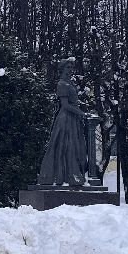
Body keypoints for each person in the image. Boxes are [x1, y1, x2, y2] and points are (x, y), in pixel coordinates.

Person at [37, 60, 87, 188]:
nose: (70, 69)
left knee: (72, 148)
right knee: (66, 147)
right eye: (68, 67)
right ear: (62, 69)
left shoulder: (69, 83)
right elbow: (64, 105)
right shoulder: (62, 84)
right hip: (66, 119)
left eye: (71, 67)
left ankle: (70, 175)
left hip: (72, 118)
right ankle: (63, 176)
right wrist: (80, 113)